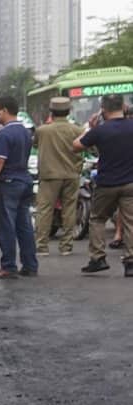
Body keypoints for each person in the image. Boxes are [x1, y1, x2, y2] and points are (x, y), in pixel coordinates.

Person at [76, 94, 133, 275]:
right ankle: (131, 262)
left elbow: (75, 145)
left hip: (107, 183)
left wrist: (91, 129)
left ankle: (98, 258)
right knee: (130, 221)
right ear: (124, 107)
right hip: (130, 182)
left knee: (97, 219)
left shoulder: (100, 130)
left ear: (103, 109)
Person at [0, 95, 37, 278]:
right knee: (24, 225)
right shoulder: (25, 132)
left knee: (5, 225)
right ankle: (30, 265)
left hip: (8, 183)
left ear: (4, 110)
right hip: (24, 180)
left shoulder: (4, 134)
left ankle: (8, 266)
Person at [33, 97, 84, 256]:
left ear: (51, 112)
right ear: (69, 111)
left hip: (49, 176)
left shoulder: (42, 131)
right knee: (69, 210)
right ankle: (66, 246)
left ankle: (42, 246)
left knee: (45, 210)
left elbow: (35, 145)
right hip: (71, 174)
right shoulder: (77, 130)